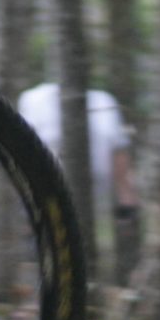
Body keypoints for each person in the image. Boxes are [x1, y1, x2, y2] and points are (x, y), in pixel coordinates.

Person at [16, 81, 135, 224]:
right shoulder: (34, 99)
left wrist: (126, 198)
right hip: (46, 195)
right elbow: (22, 150)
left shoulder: (104, 101)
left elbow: (119, 152)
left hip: (91, 199)